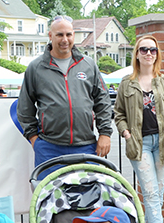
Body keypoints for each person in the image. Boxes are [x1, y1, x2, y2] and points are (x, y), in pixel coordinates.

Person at [113, 35, 164, 223]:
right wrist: (125, 133)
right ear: (136, 53)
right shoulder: (127, 83)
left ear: (157, 54)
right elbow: (118, 113)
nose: (148, 54)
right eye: (144, 50)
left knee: (157, 192)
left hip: (163, 144)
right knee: (151, 191)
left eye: (153, 50)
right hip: (139, 144)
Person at [17, 16, 113, 177]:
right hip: (49, 148)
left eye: (68, 35)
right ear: (50, 36)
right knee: (50, 198)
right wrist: (34, 139)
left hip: (86, 146)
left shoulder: (88, 65)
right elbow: (24, 108)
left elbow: (102, 101)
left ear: (73, 35)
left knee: (88, 197)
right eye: (59, 35)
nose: (65, 39)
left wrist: (105, 134)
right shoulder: (36, 68)